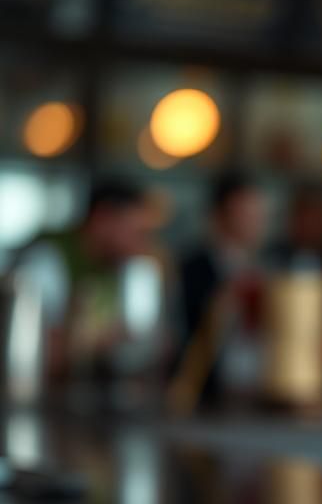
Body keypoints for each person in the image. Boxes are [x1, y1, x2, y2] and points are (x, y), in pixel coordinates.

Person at [12, 179, 154, 378]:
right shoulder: (46, 260)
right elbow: (29, 353)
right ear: (102, 218)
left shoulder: (114, 269)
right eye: (137, 233)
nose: (142, 245)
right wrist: (93, 342)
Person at [173, 173, 269, 410]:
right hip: (207, 394)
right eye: (244, 214)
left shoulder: (266, 269)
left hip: (259, 390)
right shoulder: (191, 268)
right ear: (219, 216)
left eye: (257, 215)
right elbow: (184, 329)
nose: (254, 222)